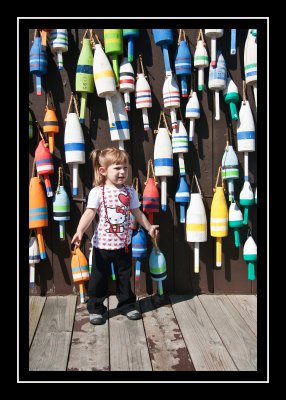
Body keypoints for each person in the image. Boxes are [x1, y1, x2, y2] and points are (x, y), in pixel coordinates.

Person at [71, 148, 159, 325]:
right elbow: (89, 213)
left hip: (124, 246)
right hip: (102, 246)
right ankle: (96, 308)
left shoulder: (130, 192)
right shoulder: (98, 192)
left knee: (124, 278)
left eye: (125, 168)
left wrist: (149, 227)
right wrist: (80, 230)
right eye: (117, 168)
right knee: (98, 279)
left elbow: (137, 213)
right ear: (103, 171)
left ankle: (127, 305)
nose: (122, 172)